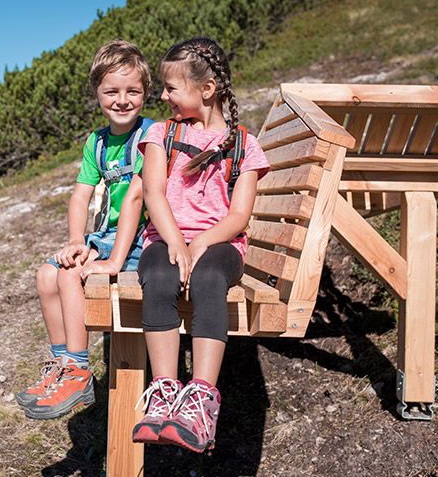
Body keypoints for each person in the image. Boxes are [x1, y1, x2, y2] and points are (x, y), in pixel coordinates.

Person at [131, 37, 269, 452]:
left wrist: (200, 244)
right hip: (165, 236)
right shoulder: (161, 134)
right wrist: (176, 241)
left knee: (209, 278)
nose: (164, 96)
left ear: (206, 90)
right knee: (157, 274)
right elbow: (154, 194)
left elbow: (238, 217)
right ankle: (164, 392)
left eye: (172, 88)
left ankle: (201, 400)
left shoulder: (245, 146)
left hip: (220, 243)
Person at [17, 40, 154, 419]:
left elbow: (137, 200)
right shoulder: (96, 143)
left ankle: (78, 370)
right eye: (111, 91)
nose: (122, 100)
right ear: (96, 93)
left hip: (142, 238)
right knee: (46, 274)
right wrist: (77, 240)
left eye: (133, 91)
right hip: (105, 236)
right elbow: (80, 198)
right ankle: (61, 362)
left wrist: (114, 260)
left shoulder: (150, 137)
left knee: (69, 274)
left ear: (146, 92)